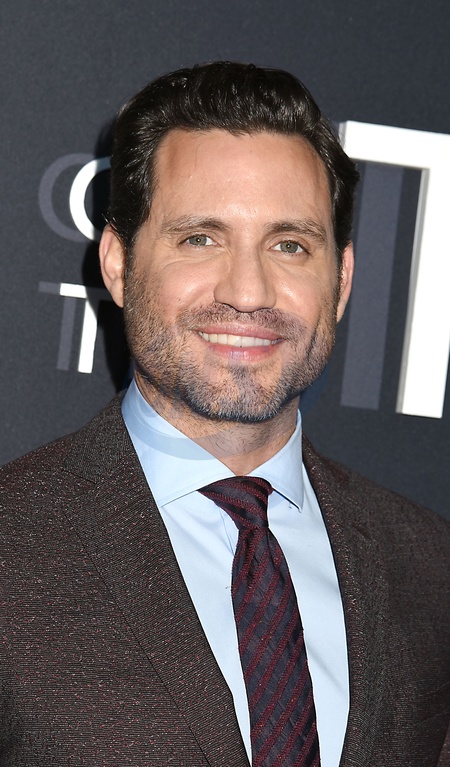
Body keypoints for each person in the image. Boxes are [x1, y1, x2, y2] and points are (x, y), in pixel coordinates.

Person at [0, 62, 448, 767]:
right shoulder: (14, 541)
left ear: (342, 280)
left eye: (289, 245)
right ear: (117, 264)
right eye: (200, 239)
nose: (248, 291)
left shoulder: (429, 568)